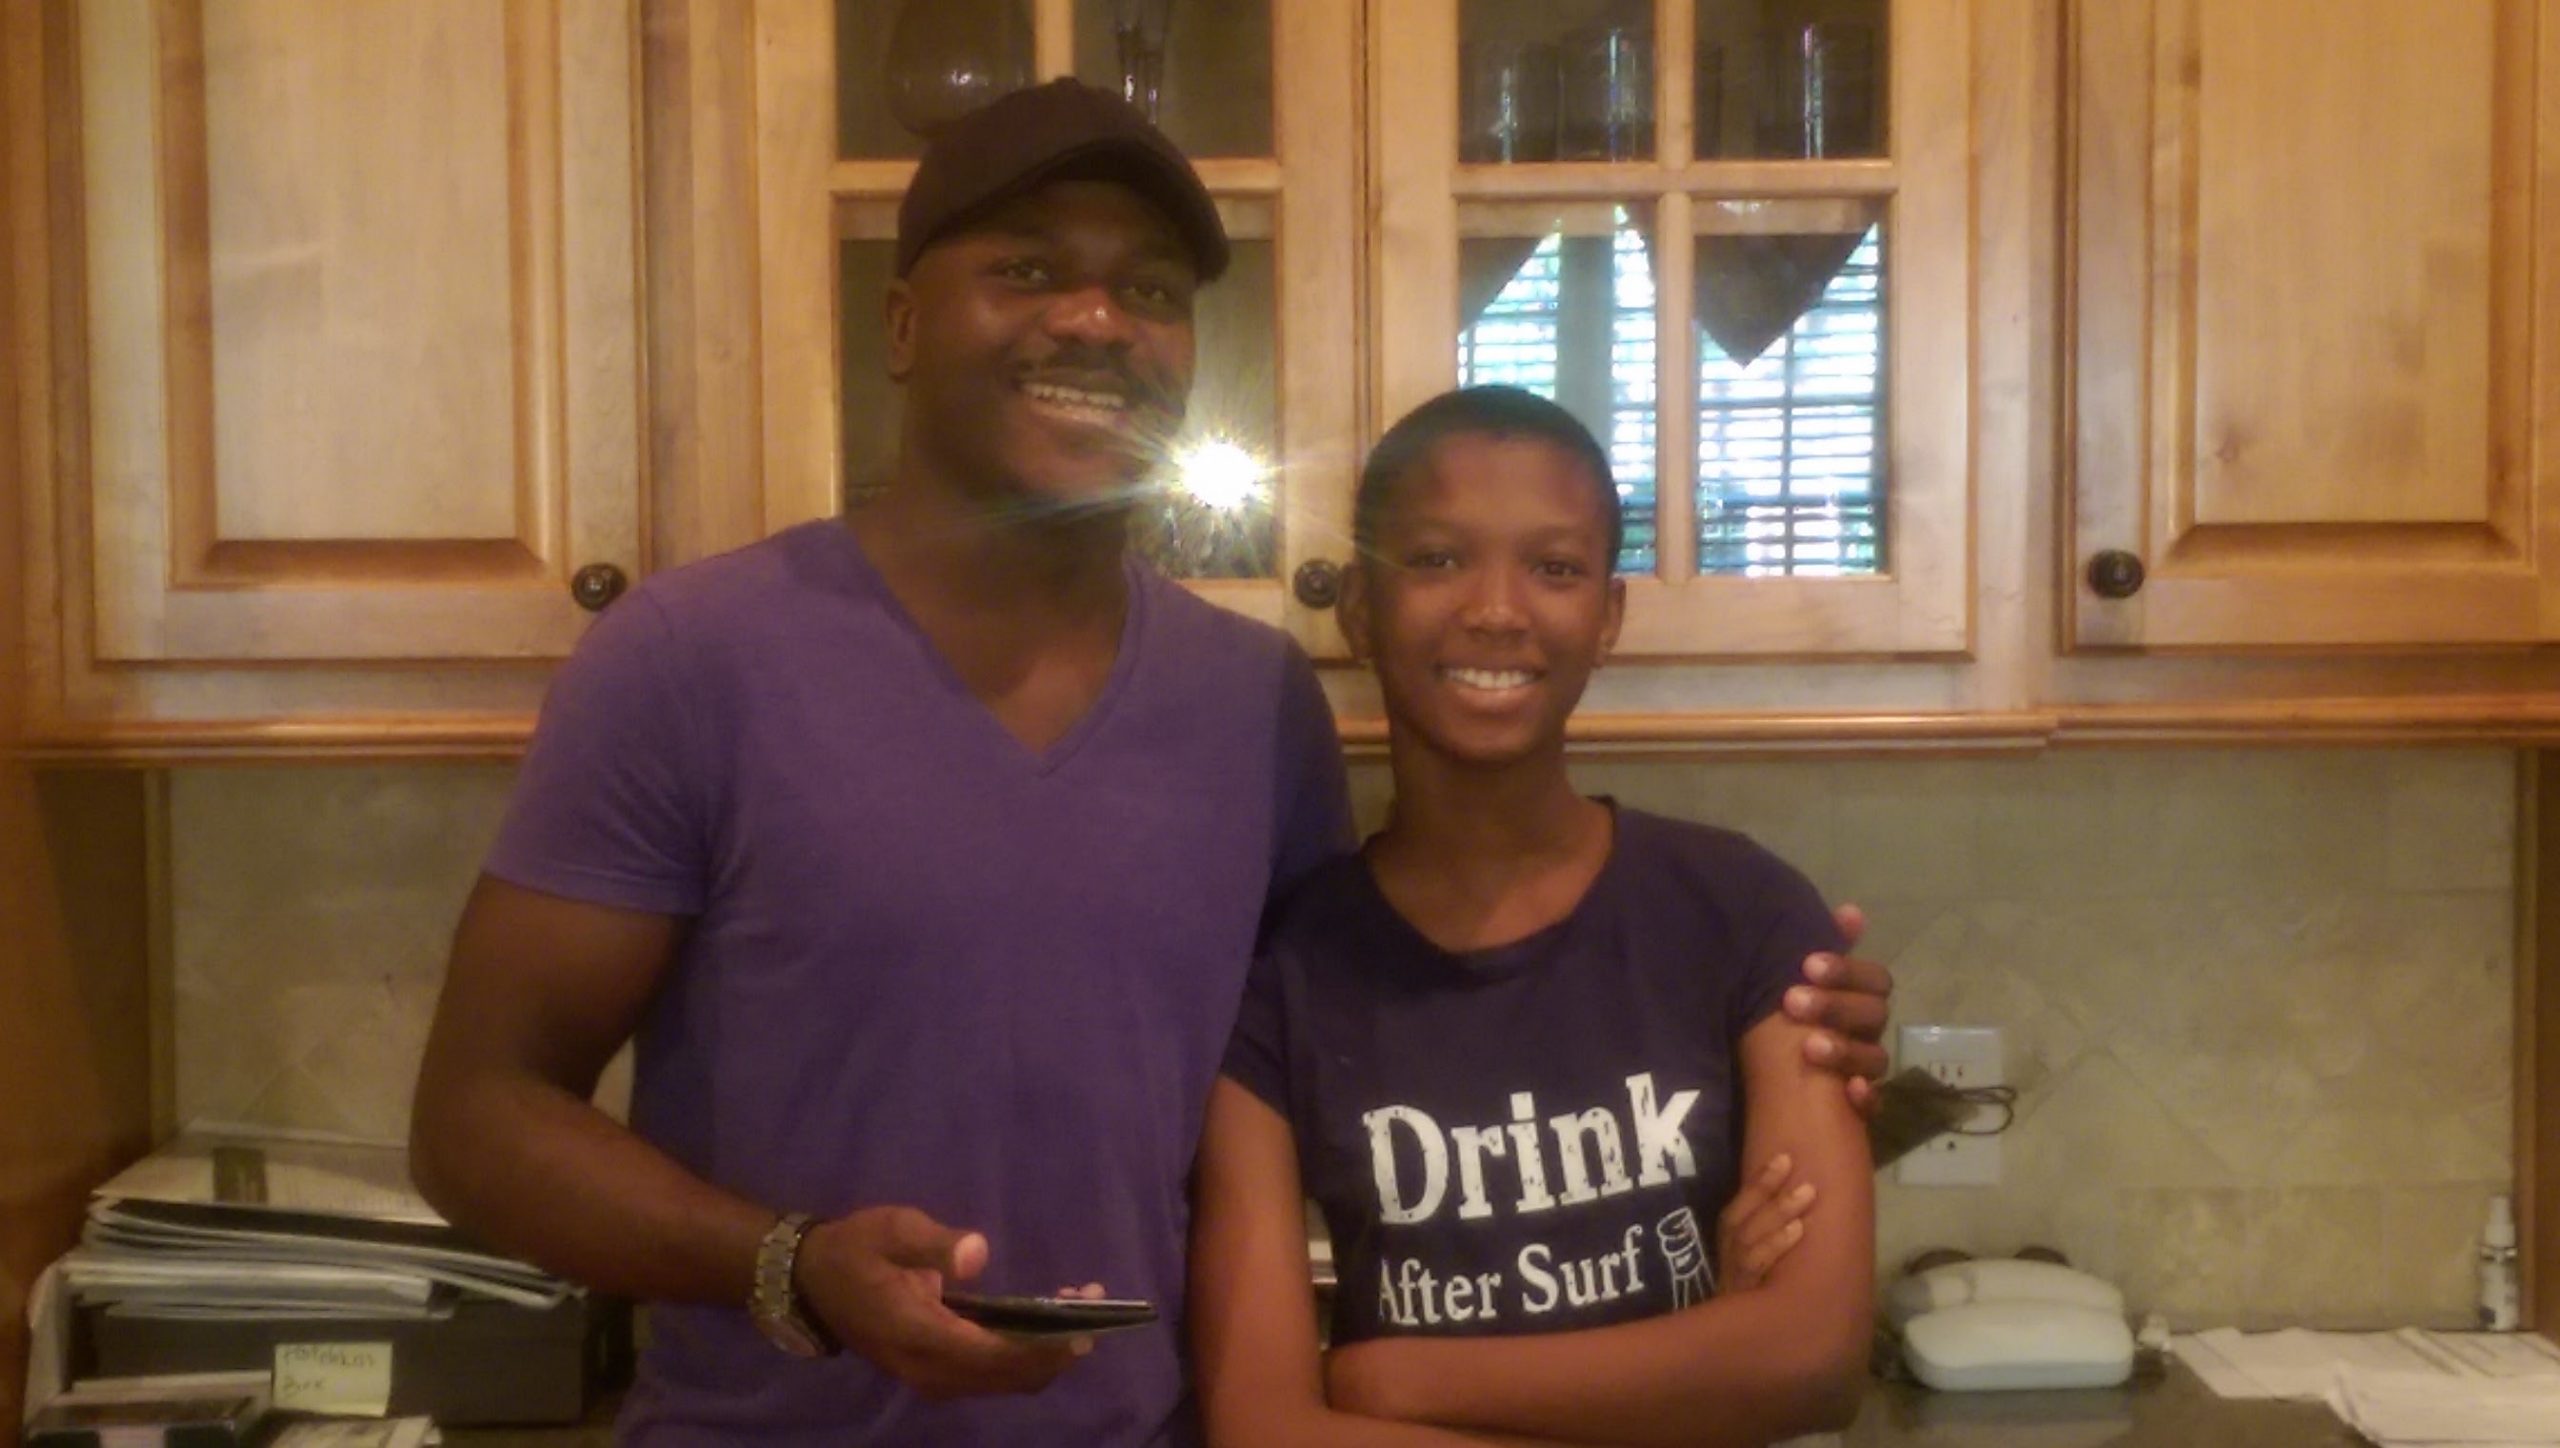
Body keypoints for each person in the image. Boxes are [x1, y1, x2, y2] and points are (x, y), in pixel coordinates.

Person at [409, 82, 1895, 1446]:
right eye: (1028, 269)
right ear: (904, 324)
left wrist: (1772, 1054)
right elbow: (473, 1122)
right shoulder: (689, 660)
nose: (1097, 320)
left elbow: (1385, 1035)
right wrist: (787, 1264)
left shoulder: (1252, 703)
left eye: (1152, 290)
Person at [1190, 387, 1875, 1448]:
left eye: (1554, 568)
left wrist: (1389, 1378)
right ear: (1360, 607)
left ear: (1608, 615)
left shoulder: (1741, 910)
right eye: (1436, 558)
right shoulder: (1283, 971)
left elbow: (1812, 1354)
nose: (1497, 609)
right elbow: (1262, 1426)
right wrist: (1691, 1380)